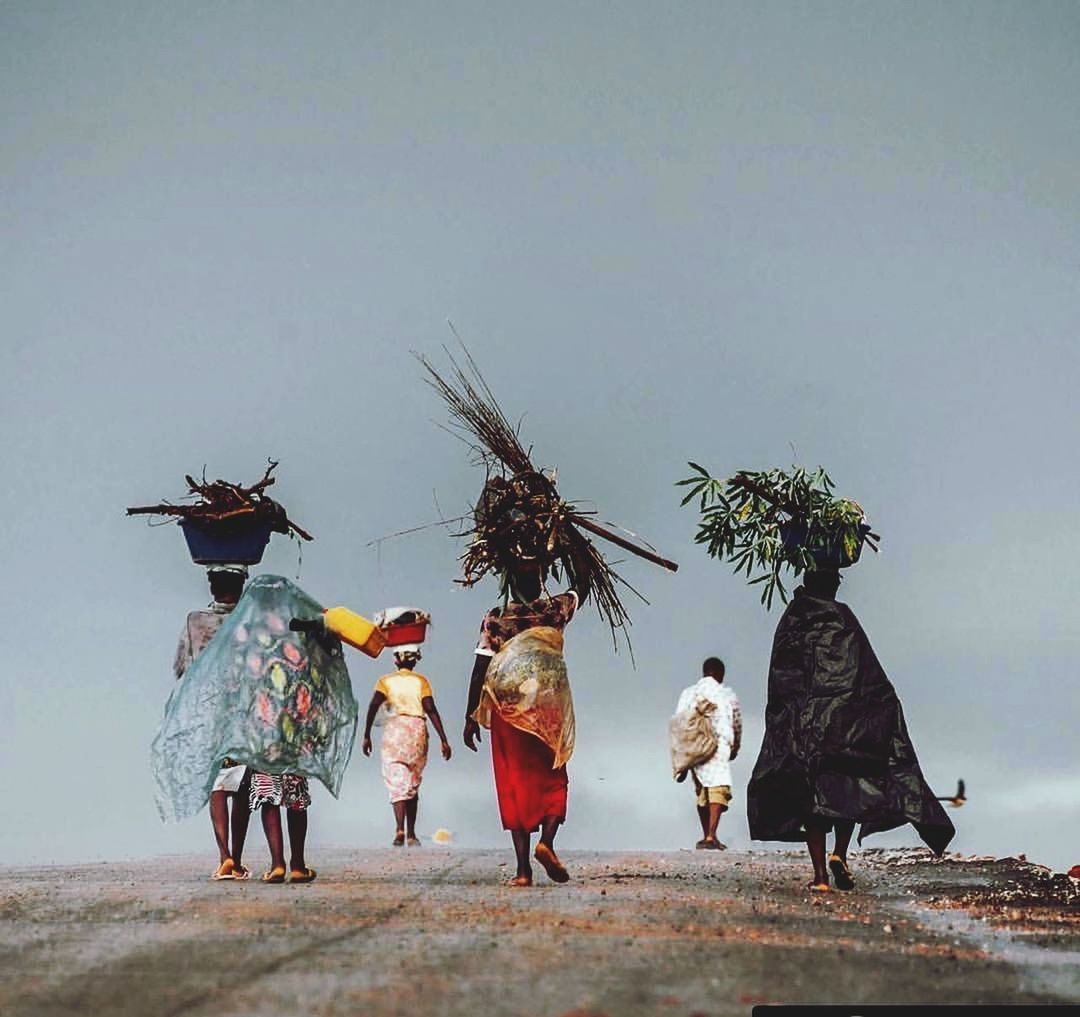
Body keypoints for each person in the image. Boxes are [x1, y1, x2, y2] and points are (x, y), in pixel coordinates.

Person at [747, 568, 955, 892]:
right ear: (833, 585)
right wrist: (883, 711)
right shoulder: (844, 619)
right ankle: (839, 855)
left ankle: (819, 878)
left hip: (804, 730)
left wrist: (784, 725)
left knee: (812, 802)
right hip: (845, 727)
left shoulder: (793, 620)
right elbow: (869, 676)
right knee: (847, 792)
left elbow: (781, 678)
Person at [464, 565, 579, 887]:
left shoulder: (496, 618)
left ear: (508, 582)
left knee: (514, 784)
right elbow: (580, 584)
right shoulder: (555, 610)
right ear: (540, 579)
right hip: (546, 710)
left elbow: (479, 670)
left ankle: (523, 870)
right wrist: (569, 549)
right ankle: (548, 842)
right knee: (554, 778)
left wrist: (470, 716)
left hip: (508, 713)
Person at [173, 563, 252, 881]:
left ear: (211, 586)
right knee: (244, 783)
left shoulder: (196, 621)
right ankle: (239, 855)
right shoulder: (252, 620)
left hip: (209, 711)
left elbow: (181, 668)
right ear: (241, 584)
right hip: (246, 711)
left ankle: (225, 857)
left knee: (218, 783)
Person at [362, 648, 452, 846]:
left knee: (397, 780)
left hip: (395, 730)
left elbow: (374, 705)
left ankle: (399, 829)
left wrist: (367, 733)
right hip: (417, 730)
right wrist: (443, 739)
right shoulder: (421, 681)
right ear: (415, 661)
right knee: (412, 780)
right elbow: (430, 708)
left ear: (396, 660)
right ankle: (411, 834)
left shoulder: (385, 681)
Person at [675, 657, 742, 850]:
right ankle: (712, 835)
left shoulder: (688, 693)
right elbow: (736, 722)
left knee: (703, 791)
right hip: (719, 745)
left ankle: (707, 835)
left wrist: (682, 754)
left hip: (696, 746)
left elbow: (679, 720)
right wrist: (735, 747)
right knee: (718, 788)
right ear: (720, 674)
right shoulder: (726, 694)